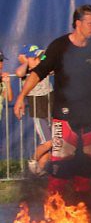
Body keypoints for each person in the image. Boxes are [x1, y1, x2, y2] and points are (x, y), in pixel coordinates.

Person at [13, 4, 91, 205]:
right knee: (61, 161)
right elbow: (37, 72)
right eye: (90, 24)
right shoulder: (59, 46)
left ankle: (83, 199)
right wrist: (21, 97)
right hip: (64, 115)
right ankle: (54, 201)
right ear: (78, 24)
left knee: (88, 159)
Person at [12, 44, 53, 176]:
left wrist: (42, 57)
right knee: (48, 142)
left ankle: (39, 173)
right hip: (38, 110)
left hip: (50, 106)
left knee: (52, 145)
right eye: (35, 57)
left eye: (38, 57)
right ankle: (32, 160)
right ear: (28, 59)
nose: (39, 60)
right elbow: (19, 73)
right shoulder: (26, 72)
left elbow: (47, 57)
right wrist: (26, 62)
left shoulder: (44, 68)